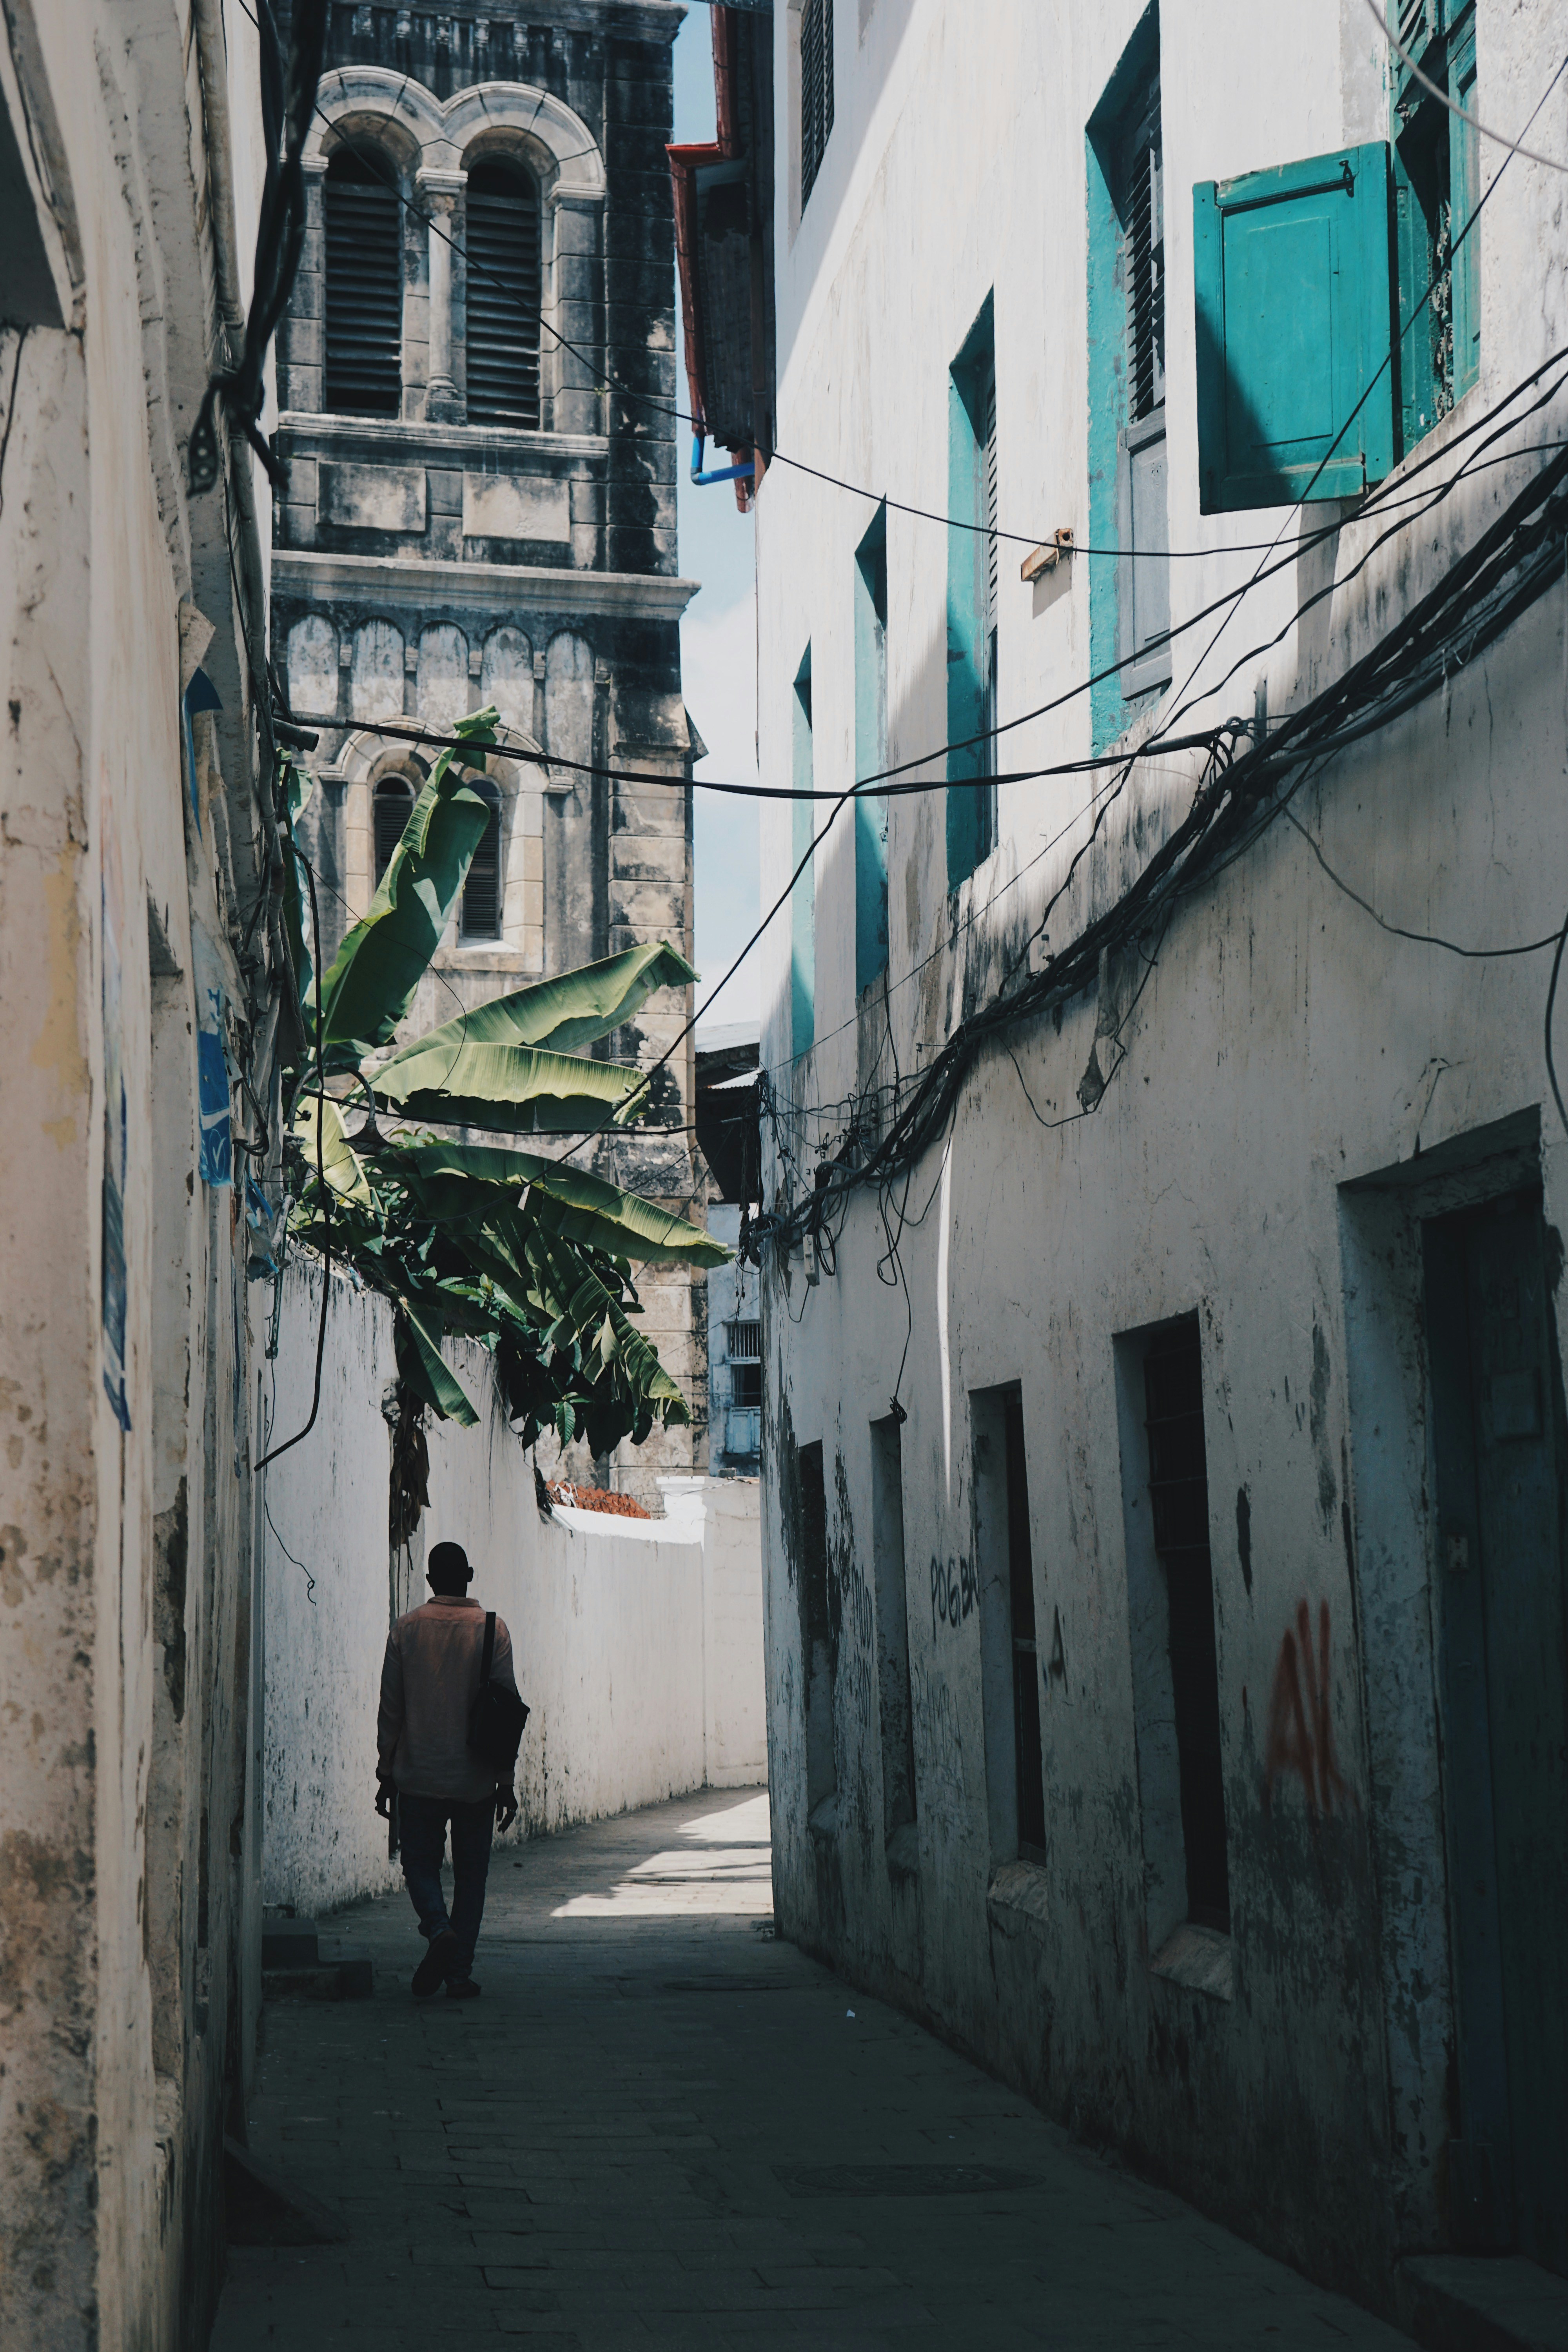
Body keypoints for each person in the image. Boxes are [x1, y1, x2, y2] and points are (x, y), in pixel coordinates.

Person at [375, 1540, 520, 1999]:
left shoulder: (406, 1630)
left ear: (431, 1581)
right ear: (470, 1575)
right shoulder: (492, 1631)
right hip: (475, 1780)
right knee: (472, 1877)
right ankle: (458, 1974)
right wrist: (506, 1781)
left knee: (419, 1864)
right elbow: (505, 1711)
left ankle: (437, 1927)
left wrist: (385, 1772)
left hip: (417, 1775)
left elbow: (391, 1711)